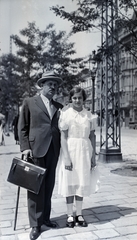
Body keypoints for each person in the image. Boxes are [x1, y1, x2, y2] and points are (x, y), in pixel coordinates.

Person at [18, 71, 63, 240]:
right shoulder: (30, 102)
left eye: (55, 84)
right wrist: (25, 148)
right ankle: (35, 224)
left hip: (53, 150)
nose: (53, 87)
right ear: (42, 85)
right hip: (35, 149)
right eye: (50, 84)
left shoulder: (58, 106)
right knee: (35, 187)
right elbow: (22, 127)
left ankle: (45, 218)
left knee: (49, 184)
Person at [57, 86, 99, 228]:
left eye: (79, 98)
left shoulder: (89, 115)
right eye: (74, 98)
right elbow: (62, 137)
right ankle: (70, 214)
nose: (77, 100)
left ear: (84, 99)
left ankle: (79, 214)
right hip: (70, 149)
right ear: (71, 99)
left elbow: (92, 136)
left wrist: (93, 156)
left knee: (81, 181)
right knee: (70, 182)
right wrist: (66, 158)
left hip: (85, 150)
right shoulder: (66, 114)